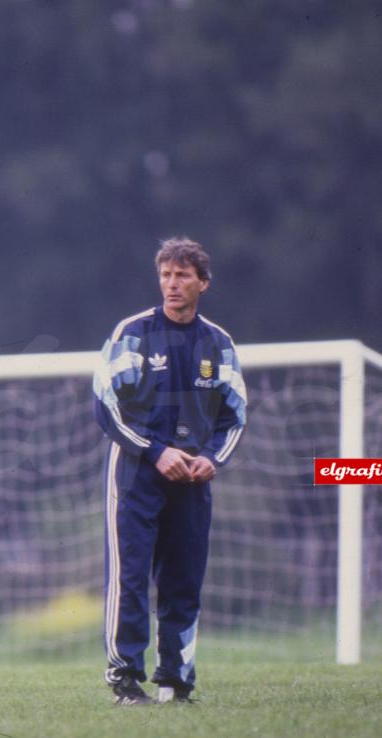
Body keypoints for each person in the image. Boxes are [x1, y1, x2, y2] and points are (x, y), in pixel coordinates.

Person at [91, 237, 247, 705]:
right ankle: (124, 679)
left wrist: (212, 458)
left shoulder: (218, 343)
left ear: (203, 282)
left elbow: (234, 413)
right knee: (131, 577)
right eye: (165, 274)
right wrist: (155, 450)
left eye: (182, 275)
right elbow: (106, 404)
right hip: (136, 474)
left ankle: (176, 681)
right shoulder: (133, 332)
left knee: (184, 580)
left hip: (193, 480)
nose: (171, 284)